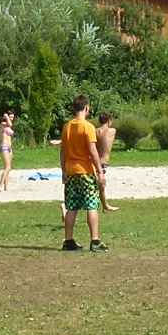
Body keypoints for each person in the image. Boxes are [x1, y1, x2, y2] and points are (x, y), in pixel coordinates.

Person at [59, 95, 107, 252]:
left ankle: (68, 240)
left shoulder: (67, 127)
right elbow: (93, 151)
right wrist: (100, 171)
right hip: (85, 171)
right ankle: (95, 241)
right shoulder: (88, 127)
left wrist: (63, 170)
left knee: (71, 206)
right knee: (92, 204)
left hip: (71, 171)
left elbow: (63, 151)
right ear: (86, 108)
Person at [95, 111, 121, 212]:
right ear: (109, 120)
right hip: (103, 163)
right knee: (100, 185)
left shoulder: (95, 131)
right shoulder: (112, 131)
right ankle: (105, 205)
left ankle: (104, 205)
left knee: (99, 185)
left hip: (95, 160)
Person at [0, 110, 15, 192]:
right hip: (4, 146)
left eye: (12, 117)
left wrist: (7, 117)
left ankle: (6, 187)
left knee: (8, 168)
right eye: (10, 117)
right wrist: (6, 116)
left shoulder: (8, 126)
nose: (11, 119)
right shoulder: (3, 124)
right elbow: (10, 124)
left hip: (9, 147)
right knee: (8, 167)